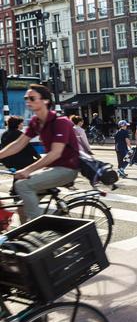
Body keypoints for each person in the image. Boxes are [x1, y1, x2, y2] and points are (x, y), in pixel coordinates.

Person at [0, 85, 80, 222]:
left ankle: (38, 229)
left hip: (67, 168)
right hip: (52, 168)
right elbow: (19, 144)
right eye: (26, 98)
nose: (28, 101)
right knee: (22, 208)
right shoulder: (35, 122)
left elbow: (55, 153)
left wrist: (27, 170)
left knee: (22, 185)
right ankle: (27, 238)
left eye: (32, 98)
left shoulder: (61, 122)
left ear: (45, 101)